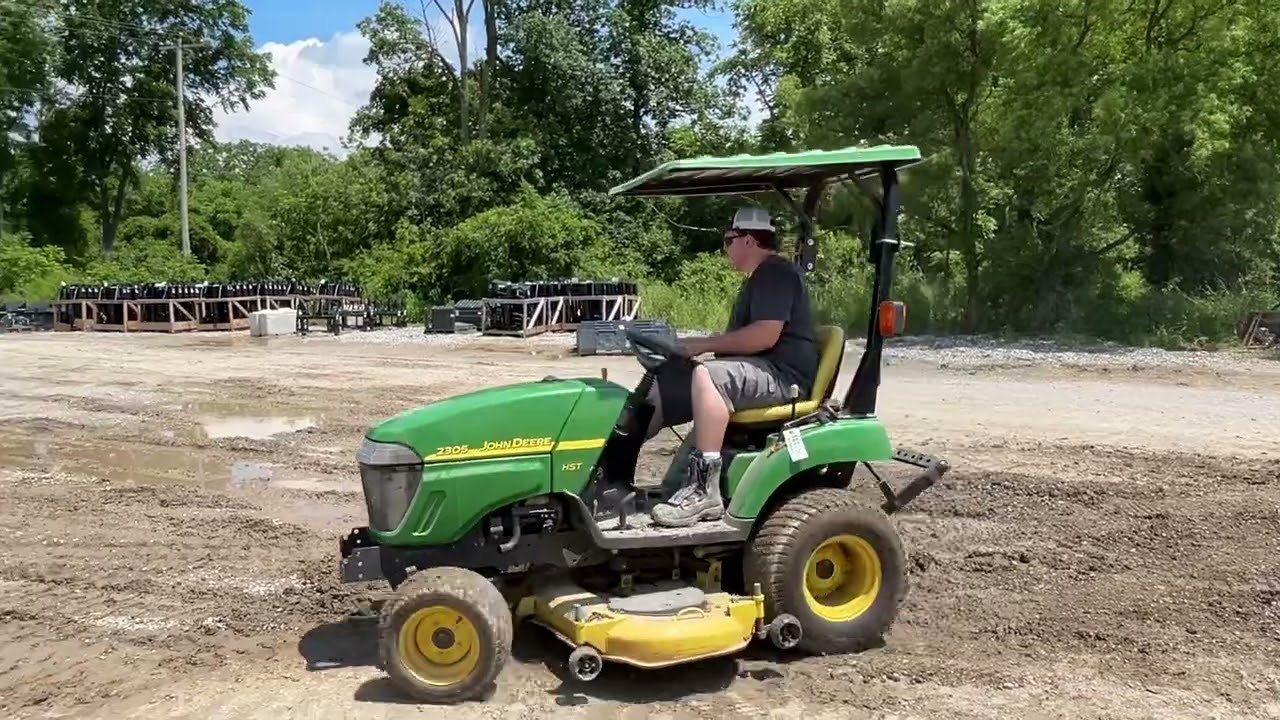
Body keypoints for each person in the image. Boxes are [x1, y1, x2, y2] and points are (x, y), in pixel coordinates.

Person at [645, 207, 819, 527]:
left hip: (782, 377)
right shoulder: (760, 278)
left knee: (708, 375)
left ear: (749, 240)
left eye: (728, 240)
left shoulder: (775, 273)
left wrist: (705, 345)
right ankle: (624, 476)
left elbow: (765, 335)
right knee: (672, 379)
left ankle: (704, 491)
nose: (725, 248)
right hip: (764, 370)